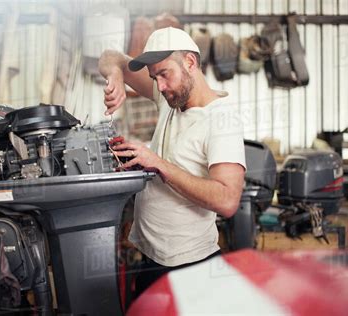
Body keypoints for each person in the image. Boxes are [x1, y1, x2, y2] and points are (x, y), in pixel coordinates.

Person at [98, 27, 246, 297]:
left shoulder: (222, 120)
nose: (160, 86)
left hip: (191, 268)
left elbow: (227, 201)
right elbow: (109, 56)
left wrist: (159, 164)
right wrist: (116, 76)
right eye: (155, 78)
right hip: (153, 260)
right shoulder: (169, 99)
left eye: (164, 74)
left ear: (190, 62)